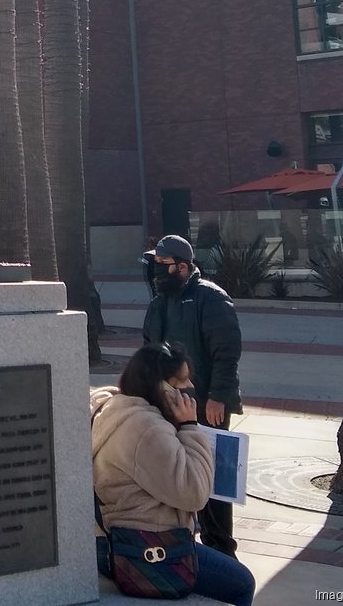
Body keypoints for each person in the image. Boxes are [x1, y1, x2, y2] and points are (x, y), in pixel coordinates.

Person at [90, 343, 255, 606]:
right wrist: (189, 426)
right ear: (160, 387)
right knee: (242, 583)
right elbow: (194, 494)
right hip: (145, 546)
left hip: (109, 538)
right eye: (180, 382)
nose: (189, 387)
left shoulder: (115, 407)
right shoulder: (146, 429)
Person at [141, 234, 243, 557]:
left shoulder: (210, 298)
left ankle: (221, 548)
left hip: (206, 406)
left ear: (183, 267)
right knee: (174, 473)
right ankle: (185, 542)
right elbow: (148, 352)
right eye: (154, 265)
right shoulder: (158, 304)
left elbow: (227, 352)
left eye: (163, 265)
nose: (157, 272)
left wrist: (218, 396)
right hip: (166, 406)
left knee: (211, 482)